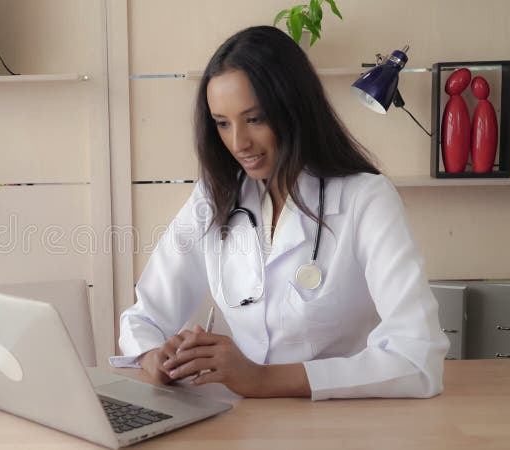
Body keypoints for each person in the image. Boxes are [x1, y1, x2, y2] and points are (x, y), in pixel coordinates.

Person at [110, 26, 450, 400]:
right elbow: (144, 317)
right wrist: (154, 357)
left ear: (294, 108)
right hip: (242, 422)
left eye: (254, 119)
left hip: (338, 421)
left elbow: (418, 358)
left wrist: (261, 380)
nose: (238, 143)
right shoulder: (217, 196)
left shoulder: (365, 198)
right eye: (223, 123)